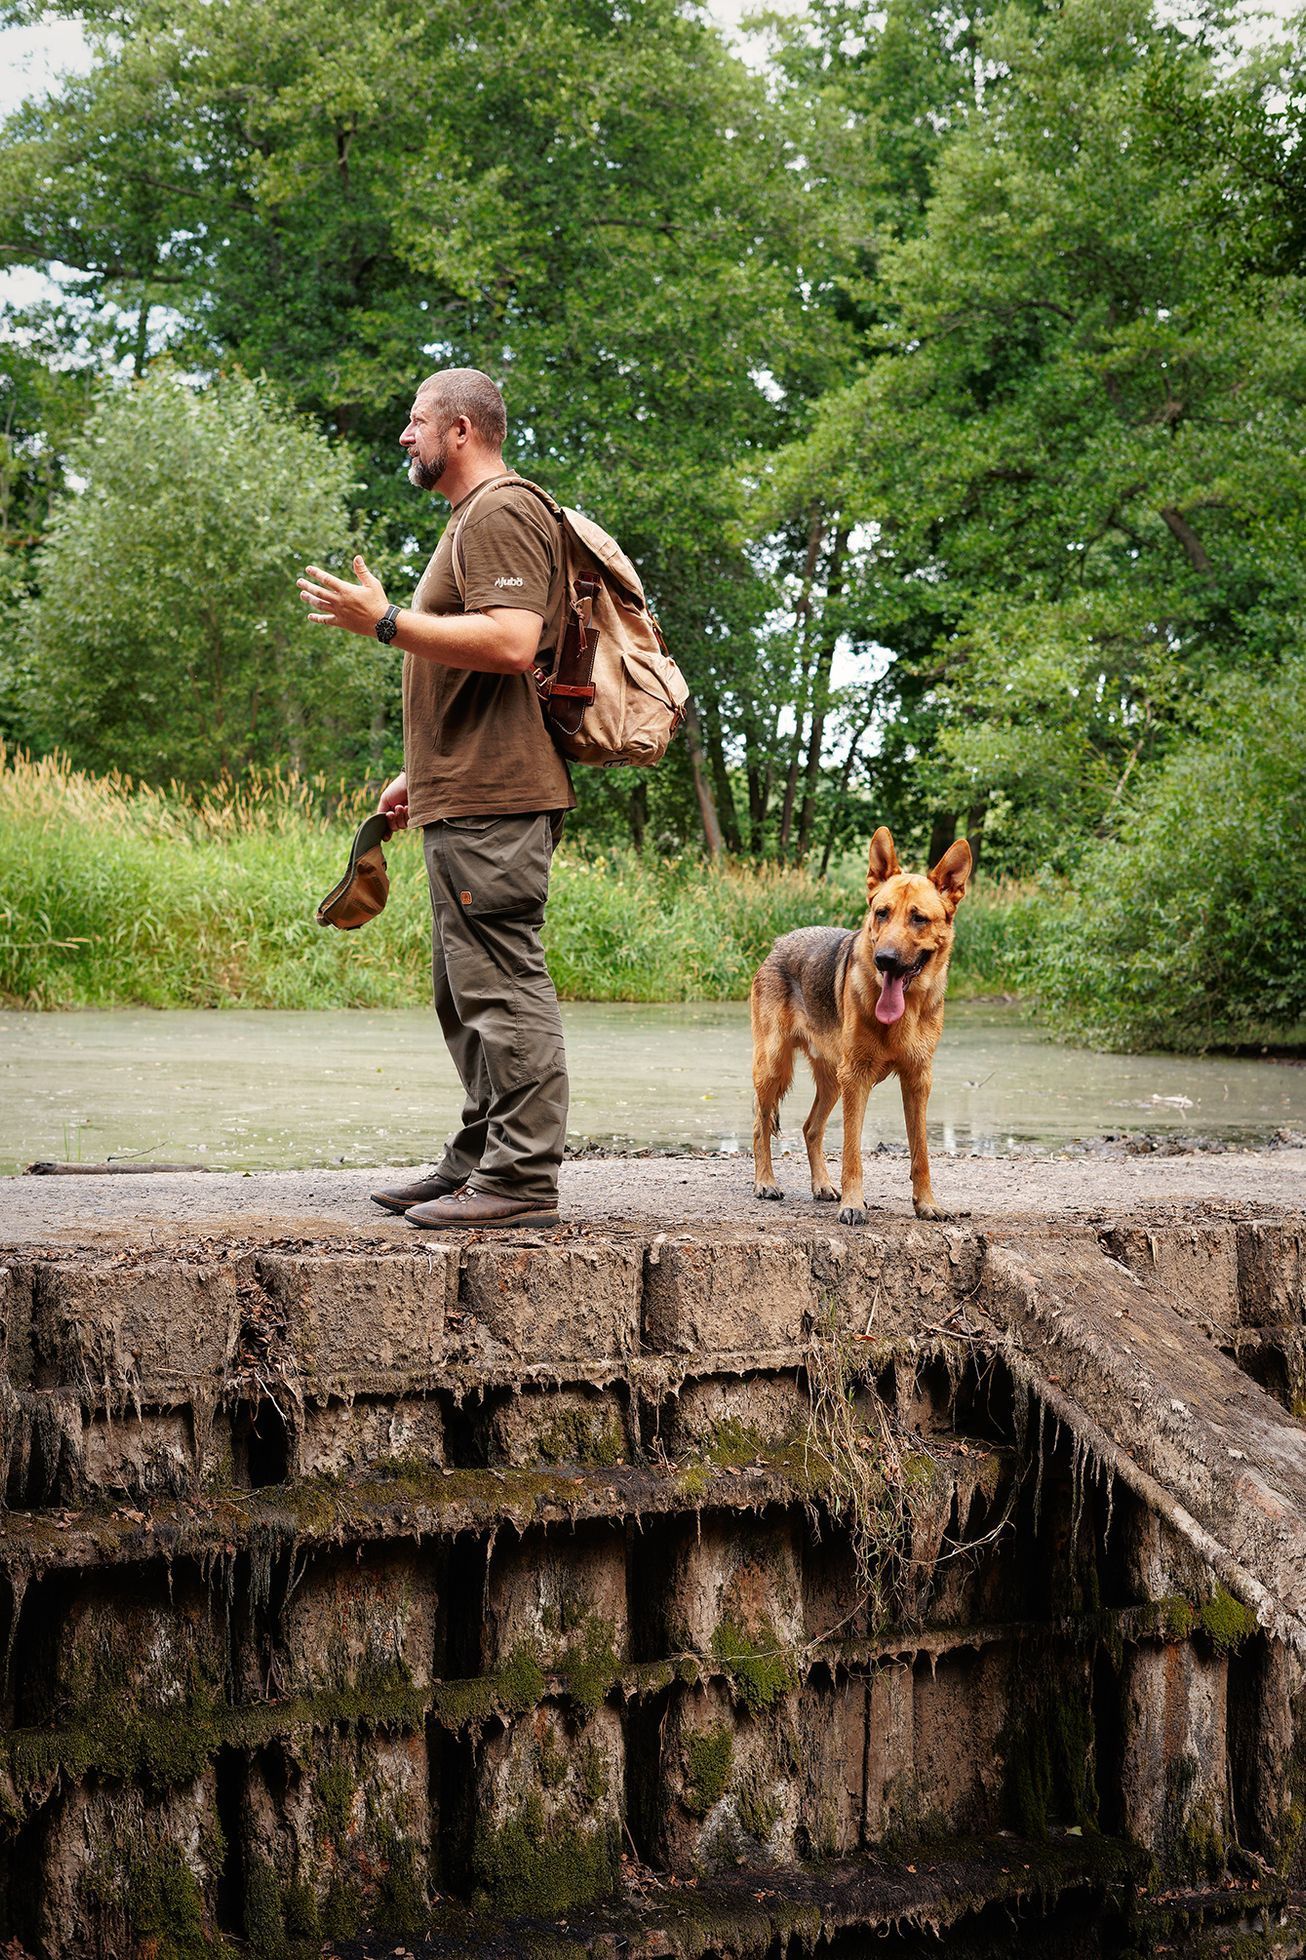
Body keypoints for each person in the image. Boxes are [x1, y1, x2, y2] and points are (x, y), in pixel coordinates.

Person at [298, 368, 572, 1230]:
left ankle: (521, 1181)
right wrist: (421, 773)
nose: (404, 435)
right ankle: (479, 1161)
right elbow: (478, 670)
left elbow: (512, 641)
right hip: (463, 793)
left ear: (460, 430)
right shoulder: (469, 518)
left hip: (496, 800)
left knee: (502, 988)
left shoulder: (500, 510)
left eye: (417, 421)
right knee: (464, 993)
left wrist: (383, 621)